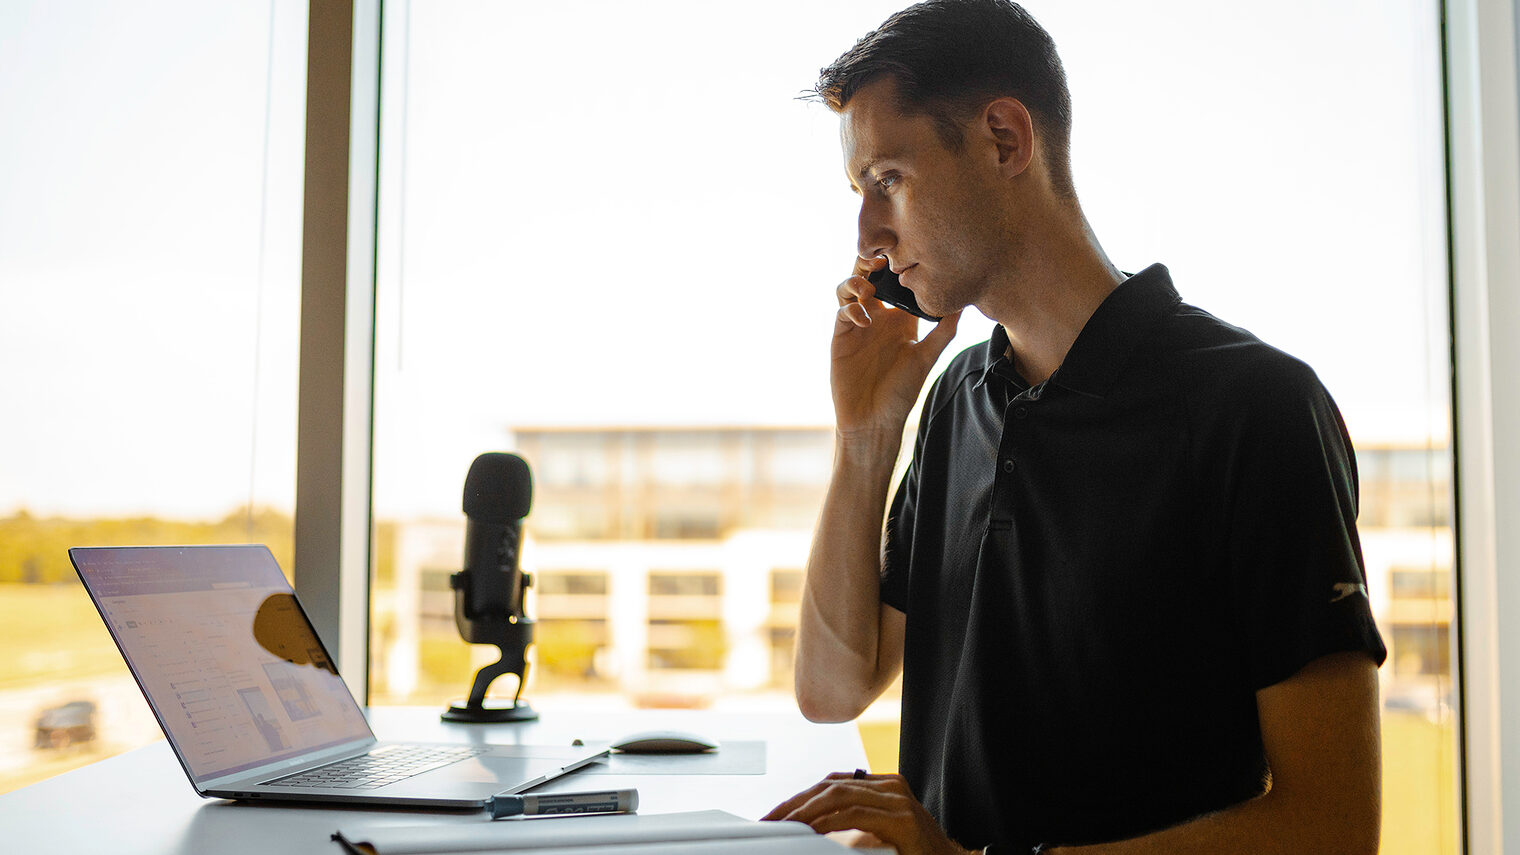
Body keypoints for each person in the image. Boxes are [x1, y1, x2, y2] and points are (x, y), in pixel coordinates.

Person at [760, 2, 1387, 853]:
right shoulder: (956, 401)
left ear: (1005, 140)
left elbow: (1334, 825)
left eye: (887, 180)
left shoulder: (1256, 408)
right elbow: (832, 689)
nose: (868, 233)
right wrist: (866, 436)